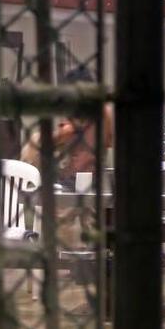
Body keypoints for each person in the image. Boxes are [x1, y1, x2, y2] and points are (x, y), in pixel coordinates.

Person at [20, 66, 114, 250]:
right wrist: (62, 136)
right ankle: (69, 254)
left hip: (93, 178)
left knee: (88, 222)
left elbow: (105, 141)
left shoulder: (103, 114)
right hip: (69, 178)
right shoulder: (72, 117)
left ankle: (85, 254)